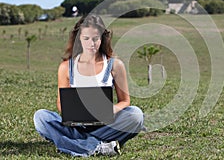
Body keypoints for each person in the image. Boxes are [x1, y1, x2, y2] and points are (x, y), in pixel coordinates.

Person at [33, 14, 144, 157]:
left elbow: (125, 101)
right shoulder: (66, 67)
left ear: (102, 38)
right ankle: (99, 147)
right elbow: (61, 102)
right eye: (86, 38)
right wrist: (72, 114)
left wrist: (112, 109)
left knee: (136, 115)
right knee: (41, 117)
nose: (91, 44)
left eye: (95, 38)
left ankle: (74, 144)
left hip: (105, 125)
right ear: (78, 38)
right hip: (76, 126)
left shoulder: (115, 65)